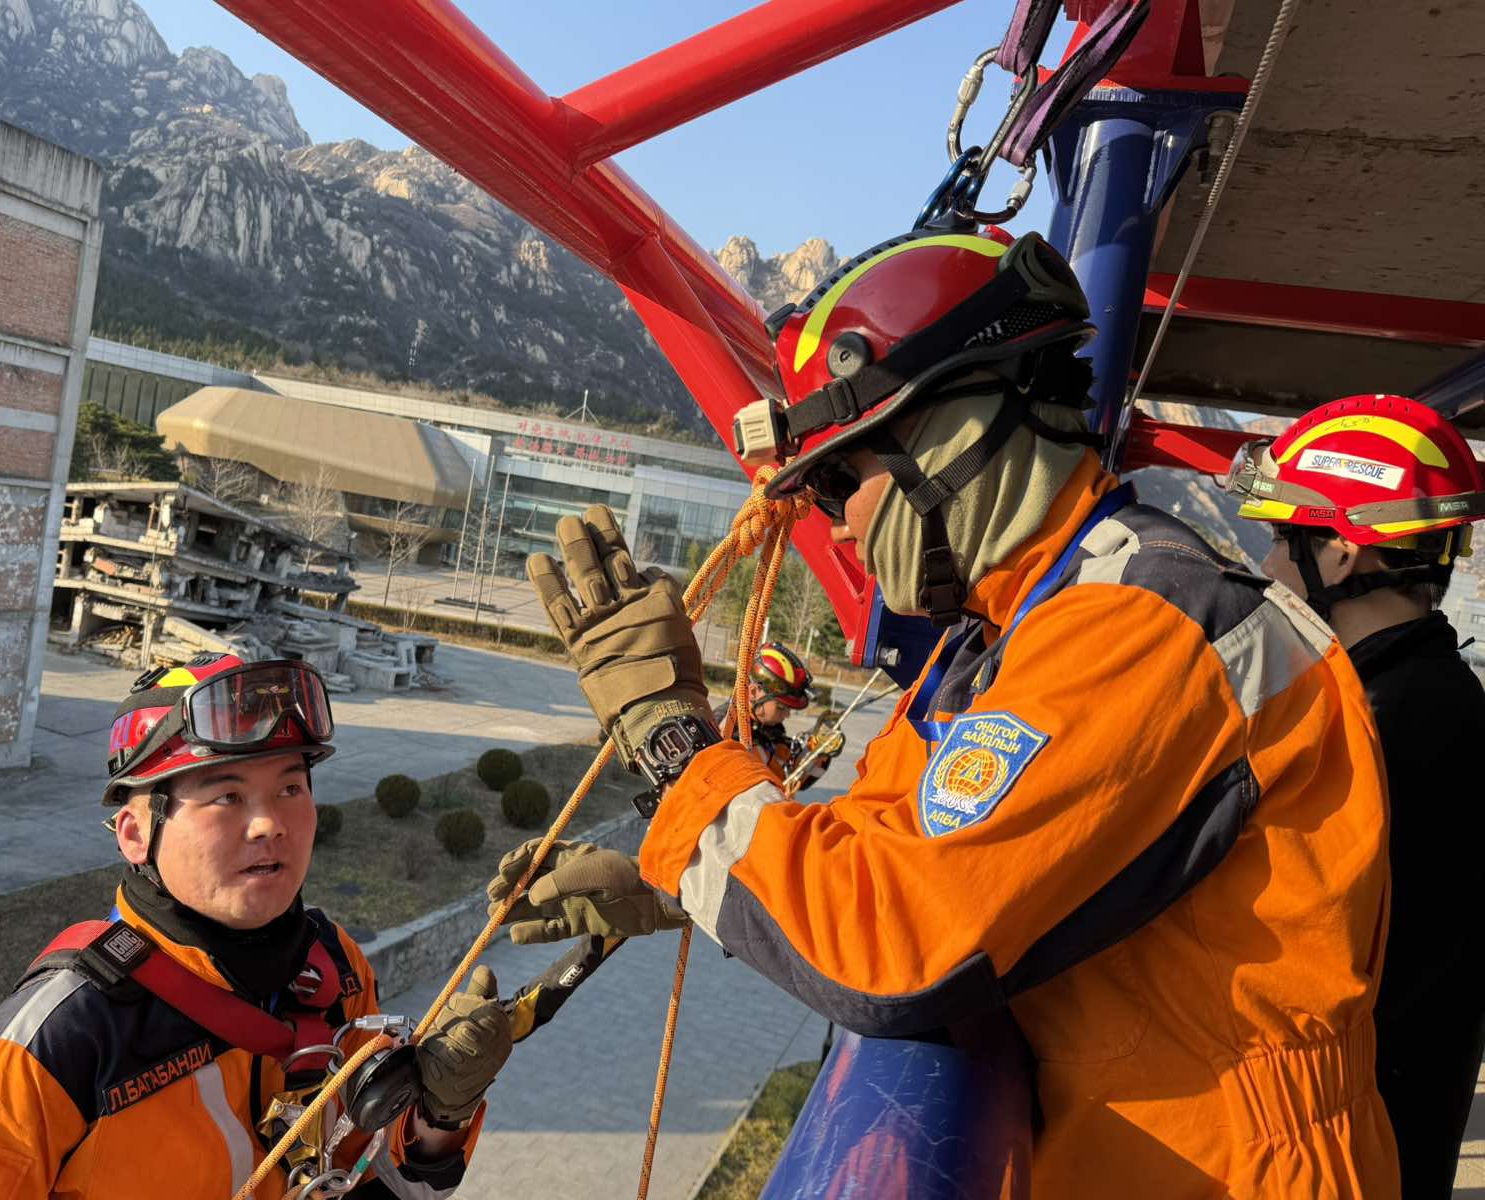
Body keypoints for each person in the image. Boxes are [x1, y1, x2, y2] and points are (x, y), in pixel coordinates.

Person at [490, 226, 1399, 1196]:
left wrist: (673, 743)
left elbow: (893, 946)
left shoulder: (1139, 629)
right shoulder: (1012, 630)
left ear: (953, 436)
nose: (835, 524)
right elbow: (888, 841)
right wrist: (677, 883)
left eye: (839, 479)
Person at [0, 653, 513, 1199]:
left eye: (291, 788)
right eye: (227, 796)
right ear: (137, 833)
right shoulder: (55, 1045)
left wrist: (436, 1127)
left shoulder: (332, 968)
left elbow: (363, 1175)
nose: (270, 824)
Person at [1224, 394, 1485, 1197]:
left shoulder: (1380, 726)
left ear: (1340, 553)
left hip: (1342, 1147)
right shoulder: (1429, 698)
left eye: (1281, 538)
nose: (1270, 564)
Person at [736, 641, 841, 790]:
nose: (787, 715)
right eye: (781, 707)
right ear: (753, 692)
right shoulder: (729, 735)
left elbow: (792, 775)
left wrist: (816, 750)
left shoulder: (769, 729)